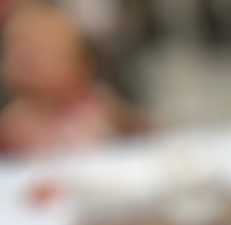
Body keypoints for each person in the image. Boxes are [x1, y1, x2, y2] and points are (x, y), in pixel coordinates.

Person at [0, 1, 148, 156]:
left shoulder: (104, 108)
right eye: (17, 53)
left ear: (80, 61)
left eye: (42, 54)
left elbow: (146, 139)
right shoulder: (13, 126)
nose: (26, 65)